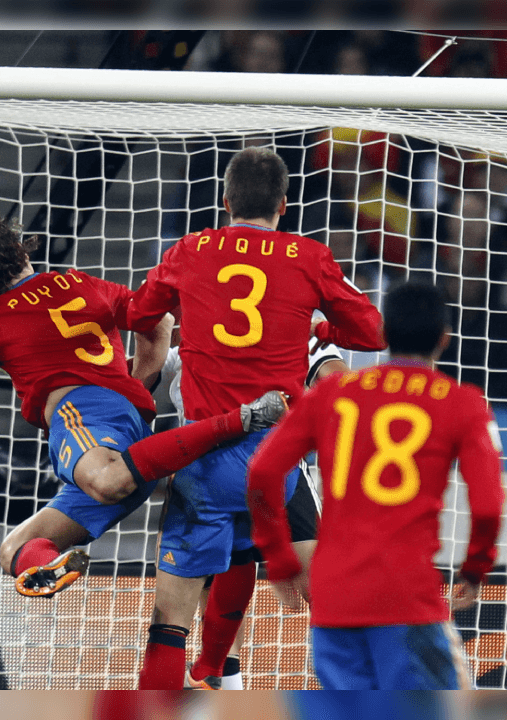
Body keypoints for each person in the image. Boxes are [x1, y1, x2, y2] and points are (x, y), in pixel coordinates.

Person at [0, 202, 288, 599]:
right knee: (16, 550)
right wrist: (139, 385)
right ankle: (54, 566)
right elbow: (161, 322)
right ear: (19, 250)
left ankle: (238, 420)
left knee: (106, 480)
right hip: (126, 433)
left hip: (81, 418)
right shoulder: (82, 283)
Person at [124, 146, 385, 689]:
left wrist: (188, 308)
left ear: (225, 201)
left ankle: (190, 686)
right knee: (256, 561)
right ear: (284, 205)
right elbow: (373, 331)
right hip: (277, 461)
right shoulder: (309, 257)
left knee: (171, 621)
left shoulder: (189, 250)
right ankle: (234, 675)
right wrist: (320, 331)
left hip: (206, 455)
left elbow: (140, 316)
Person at [247, 281, 504, 690]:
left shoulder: (332, 393)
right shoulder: (462, 403)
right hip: (406, 595)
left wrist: (279, 563)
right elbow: (489, 504)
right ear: (444, 338)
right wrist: (476, 566)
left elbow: (262, 472)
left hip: (333, 599)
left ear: (386, 337)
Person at [159, 335, 349, 690]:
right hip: (216, 470)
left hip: (264, 465)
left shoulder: (291, 328)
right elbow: (138, 374)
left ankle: (360, 684)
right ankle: (224, 686)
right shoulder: (182, 351)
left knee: (318, 584)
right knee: (219, 585)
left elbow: (335, 377)